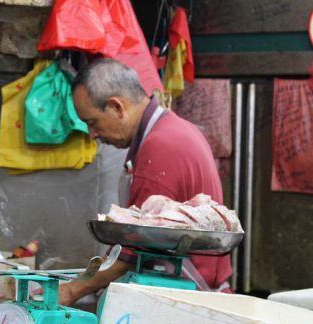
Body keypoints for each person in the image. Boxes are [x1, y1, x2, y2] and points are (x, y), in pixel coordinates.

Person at [59, 58, 232, 306]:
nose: (92, 135)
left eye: (92, 122)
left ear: (117, 107)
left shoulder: (159, 146)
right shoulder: (174, 128)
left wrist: (71, 291)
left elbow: (135, 248)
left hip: (193, 300)